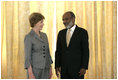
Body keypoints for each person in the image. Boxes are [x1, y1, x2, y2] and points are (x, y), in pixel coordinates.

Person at [55, 11, 89, 79]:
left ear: (73, 19)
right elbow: (58, 51)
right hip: (64, 70)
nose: (64, 21)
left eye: (66, 19)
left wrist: (84, 67)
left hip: (78, 70)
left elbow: (85, 51)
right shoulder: (61, 33)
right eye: (63, 19)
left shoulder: (82, 32)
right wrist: (57, 65)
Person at [24, 12, 53, 79]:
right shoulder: (29, 37)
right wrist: (30, 73)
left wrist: (50, 68)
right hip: (35, 70)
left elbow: (48, 53)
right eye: (41, 22)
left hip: (46, 68)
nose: (43, 24)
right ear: (35, 22)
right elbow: (27, 57)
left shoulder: (44, 35)